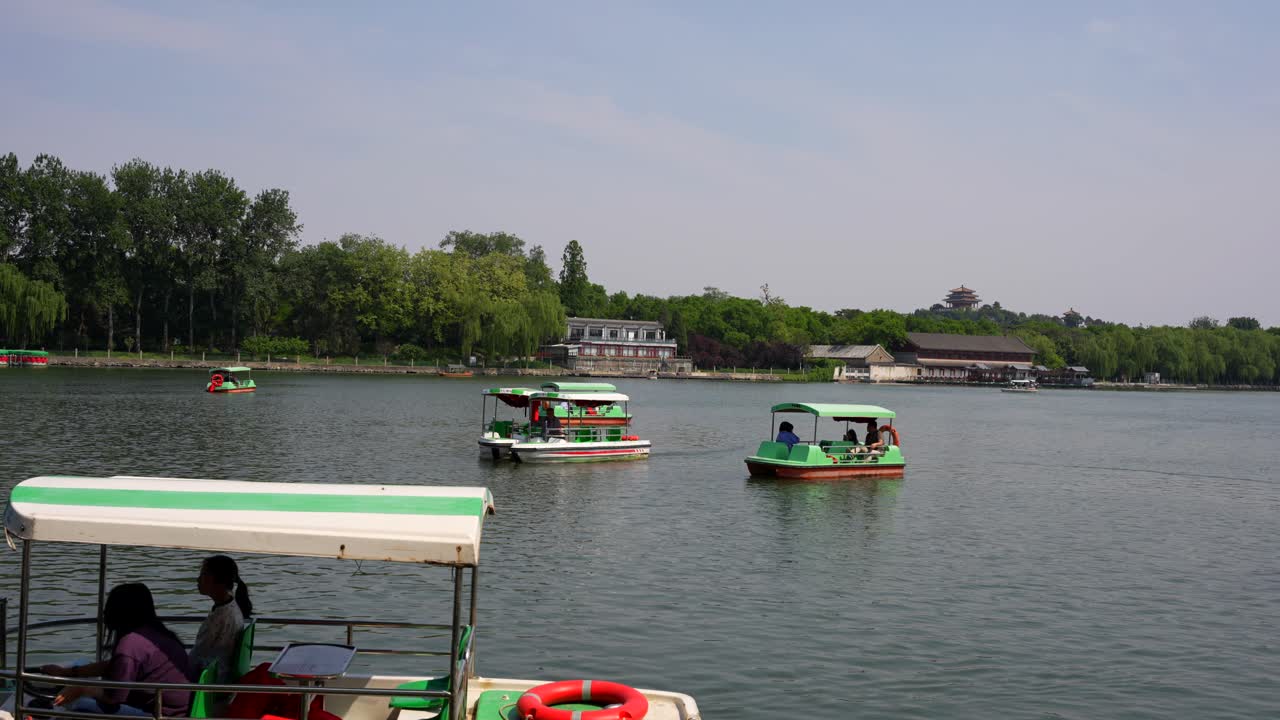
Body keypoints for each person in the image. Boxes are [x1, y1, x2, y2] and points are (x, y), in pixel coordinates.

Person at [44, 583, 192, 716]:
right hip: (174, 709)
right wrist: (67, 672)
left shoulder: (130, 644)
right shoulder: (155, 633)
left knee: (78, 703)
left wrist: (82, 689)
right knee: (82, 664)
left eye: (109, 606)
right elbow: (114, 665)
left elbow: (114, 698)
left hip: (161, 714)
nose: (104, 612)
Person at [189, 555, 252, 681]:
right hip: (219, 673)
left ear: (219, 581)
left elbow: (196, 656)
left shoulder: (220, 617)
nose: (198, 579)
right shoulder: (231, 607)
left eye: (203, 575)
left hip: (211, 678)